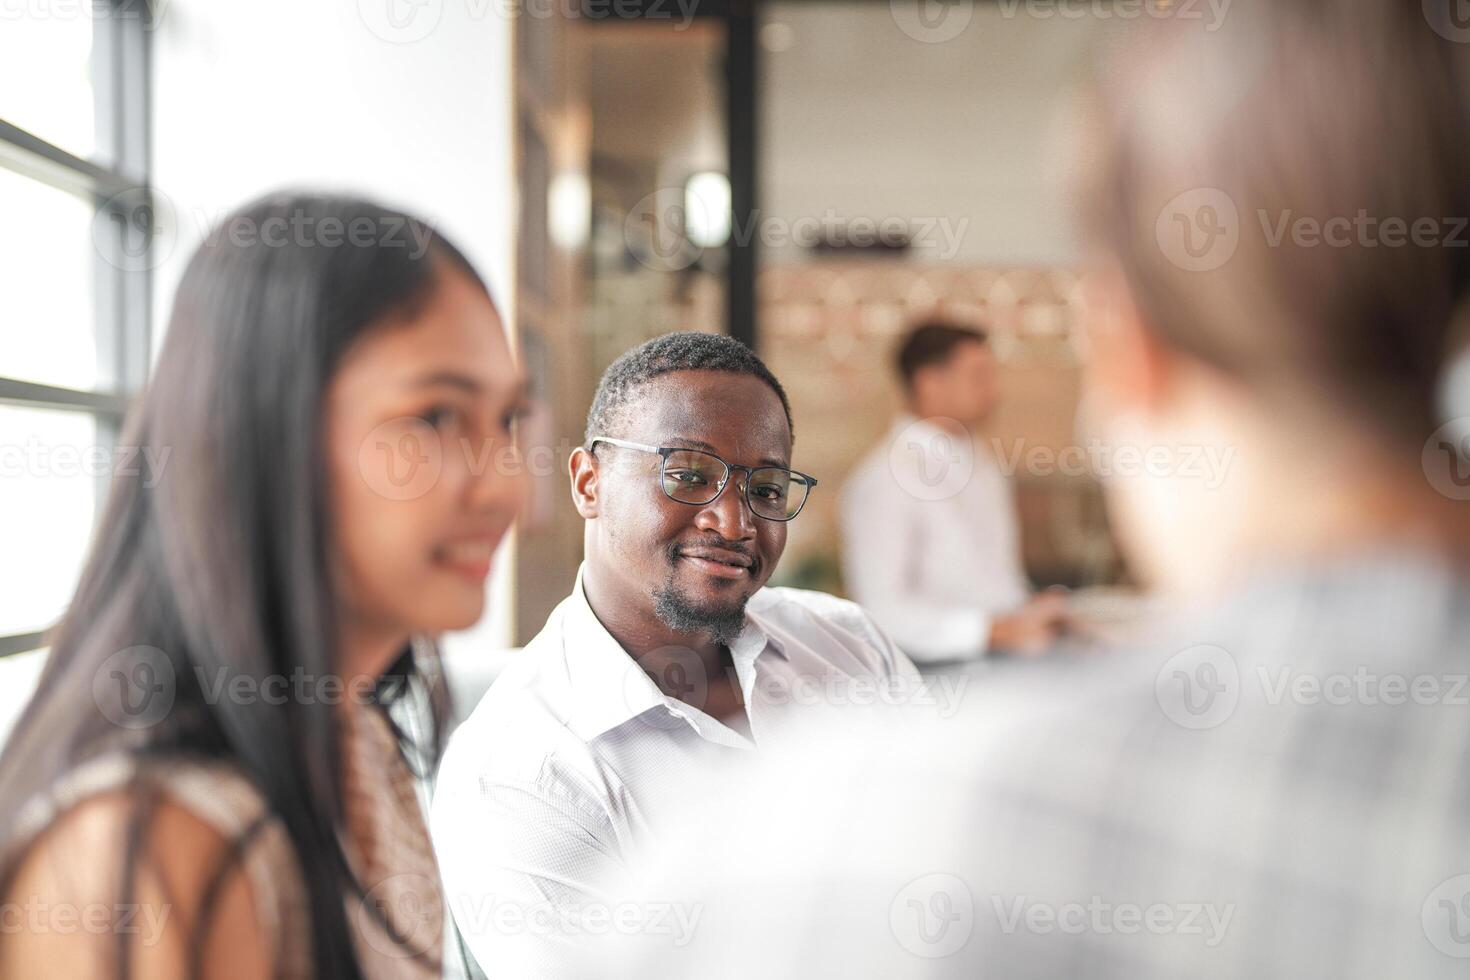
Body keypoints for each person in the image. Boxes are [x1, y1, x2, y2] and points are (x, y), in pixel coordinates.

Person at [601, 1, 1470, 976]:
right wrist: (999, 632)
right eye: (977, 369)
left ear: (1125, 347)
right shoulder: (894, 486)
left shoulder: (813, 859)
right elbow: (889, 607)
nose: (995, 383)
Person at [0, 193, 526, 979]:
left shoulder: (360, 741)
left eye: (509, 423)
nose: (507, 489)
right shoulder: (150, 846)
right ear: (265, 431)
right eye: (437, 418)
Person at [430, 331, 921, 976]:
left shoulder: (849, 646)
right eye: (689, 475)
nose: (735, 522)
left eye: (767, 490)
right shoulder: (522, 776)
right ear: (588, 483)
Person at [842, 320, 1068, 661]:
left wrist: (1034, 612)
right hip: (941, 679)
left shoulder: (983, 463)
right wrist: (992, 632)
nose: (994, 391)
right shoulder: (885, 477)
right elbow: (881, 611)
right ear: (929, 383)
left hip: (1011, 661)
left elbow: (996, 583)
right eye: (978, 377)